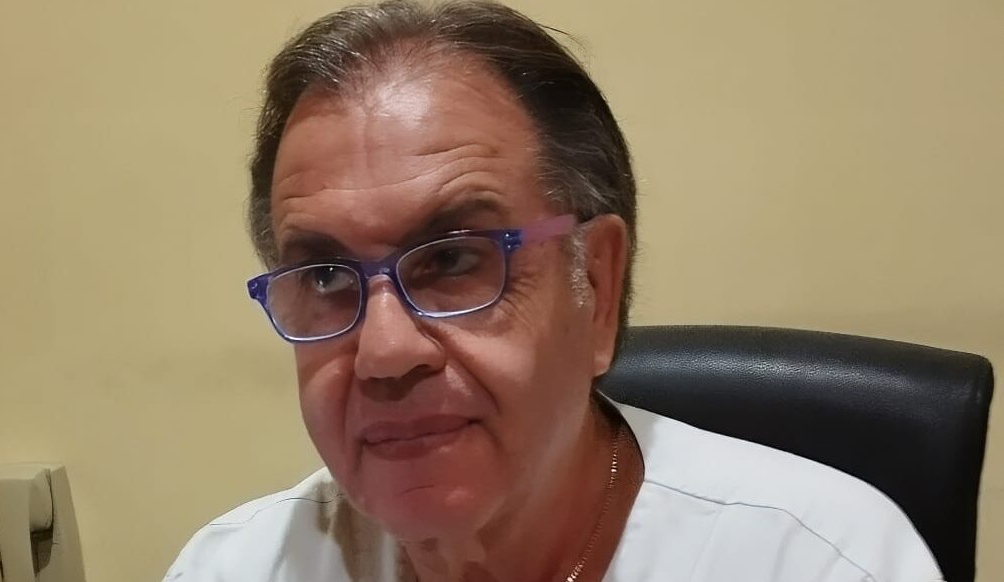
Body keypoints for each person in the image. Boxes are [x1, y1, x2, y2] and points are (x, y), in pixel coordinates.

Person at [164, 1, 942, 581]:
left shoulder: (820, 559)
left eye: (452, 259)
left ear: (595, 286)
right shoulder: (235, 567)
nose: (384, 353)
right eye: (327, 277)